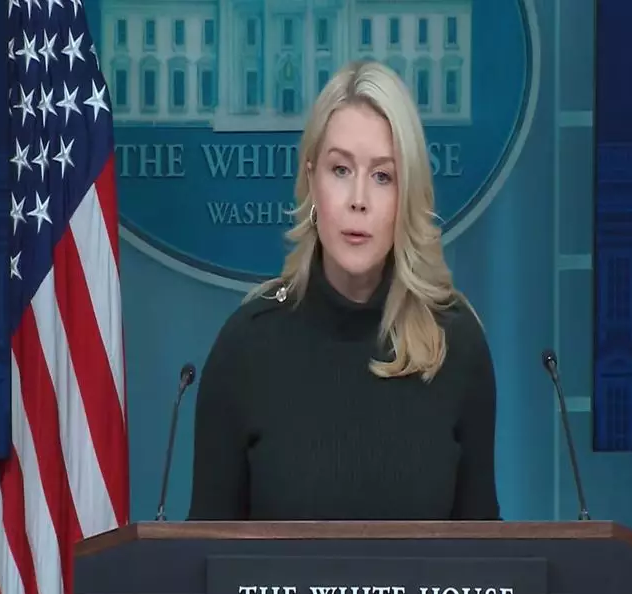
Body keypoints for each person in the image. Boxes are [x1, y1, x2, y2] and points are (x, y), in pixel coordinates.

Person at [187, 60, 500, 521]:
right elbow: (203, 557)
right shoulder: (246, 346)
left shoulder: (454, 345)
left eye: (382, 176)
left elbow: (486, 554)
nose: (358, 199)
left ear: (407, 195)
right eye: (340, 170)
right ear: (312, 180)